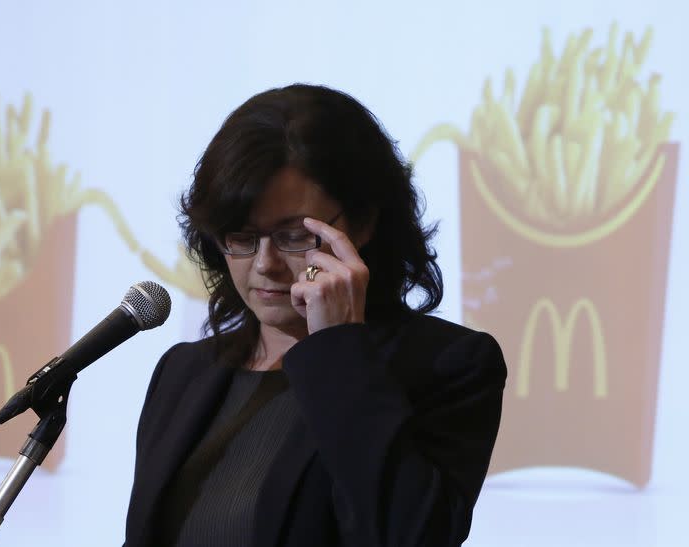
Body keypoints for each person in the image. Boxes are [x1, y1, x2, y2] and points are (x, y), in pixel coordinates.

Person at [123, 84, 506, 547]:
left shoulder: (449, 365)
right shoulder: (184, 371)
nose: (264, 264)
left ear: (362, 224)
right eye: (241, 236)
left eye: (292, 235)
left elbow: (409, 534)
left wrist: (340, 347)